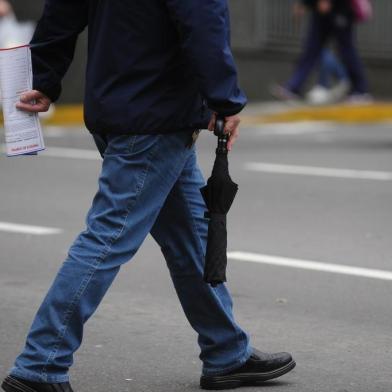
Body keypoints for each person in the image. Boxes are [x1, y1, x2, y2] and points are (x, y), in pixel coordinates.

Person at [1, 1, 296, 391]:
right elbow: (203, 22)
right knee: (107, 239)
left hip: (119, 107)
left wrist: (45, 77)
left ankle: (226, 352)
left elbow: (61, 13)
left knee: (191, 235)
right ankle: (40, 365)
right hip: (156, 116)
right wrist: (224, 101)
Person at [274, 0, 371, 102]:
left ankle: (360, 90)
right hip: (320, 11)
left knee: (347, 51)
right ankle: (293, 87)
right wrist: (304, 3)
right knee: (311, 50)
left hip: (340, 9)